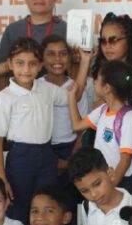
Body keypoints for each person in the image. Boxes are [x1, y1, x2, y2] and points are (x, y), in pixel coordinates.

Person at [0, 37, 68, 225]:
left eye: (32, 63)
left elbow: (73, 96)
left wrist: (84, 63)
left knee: (47, 205)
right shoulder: (4, 97)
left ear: (40, 65)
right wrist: (1, 178)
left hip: (47, 155)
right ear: (10, 64)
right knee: (19, 206)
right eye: (20, 63)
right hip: (20, 158)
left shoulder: (47, 89)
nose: (26, 69)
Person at [67, 60, 132, 197]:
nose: (94, 82)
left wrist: (111, 187)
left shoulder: (129, 118)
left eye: (97, 79)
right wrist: (71, 97)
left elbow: (125, 161)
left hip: (122, 183)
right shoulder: (103, 110)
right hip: (104, 181)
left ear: (107, 87)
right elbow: (77, 125)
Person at [0, 0, 67, 91]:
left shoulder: (66, 30)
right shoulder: (12, 30)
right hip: (19, 98)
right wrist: (2, 98)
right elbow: (2, 74)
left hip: (57, 96)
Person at [38, 34, 94, 176]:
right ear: (41, 59)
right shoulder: (35, 86)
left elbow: (83, 130)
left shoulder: (75, 88)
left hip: (70, 148)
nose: (57, 59)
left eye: (63, 54)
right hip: (42, 149)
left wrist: (71, 160)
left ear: (69, 58)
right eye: (51, 54)